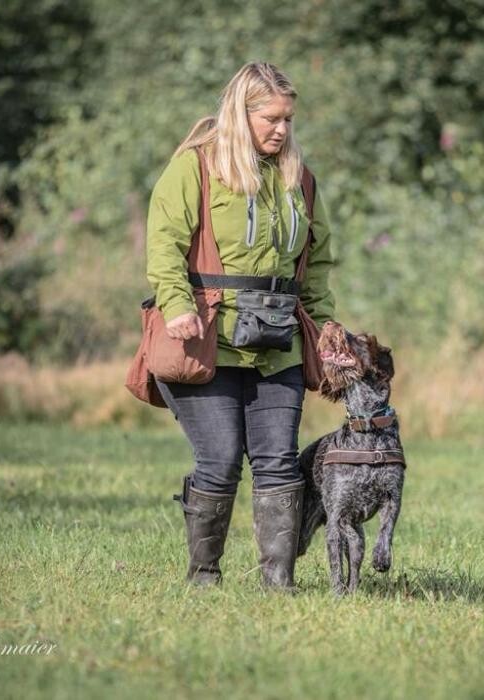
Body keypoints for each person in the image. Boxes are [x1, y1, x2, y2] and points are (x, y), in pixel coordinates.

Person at [145, 62, 336, 590]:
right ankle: (203, 577)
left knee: (279, 462)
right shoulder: (195, 168)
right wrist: (177, 304)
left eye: (288, 120)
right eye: (271, 118)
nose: (282, 129)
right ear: (240, 112)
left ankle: (279, 583)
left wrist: (324, 328)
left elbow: (316, 264)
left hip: (279, 344)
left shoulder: (299, 180)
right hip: (206, 343)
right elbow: (164, 248)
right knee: (221, 460)